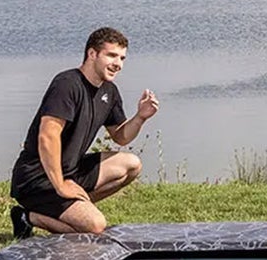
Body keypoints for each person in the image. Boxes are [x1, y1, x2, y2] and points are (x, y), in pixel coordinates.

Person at [8, 27, 159, 238]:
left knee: (131, 164)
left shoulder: (109, 91)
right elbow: (47, 136)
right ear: (92, 54)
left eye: (122, 58)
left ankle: (73, 208)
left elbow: (121, 137)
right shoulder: (67, 84)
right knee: (96, 226)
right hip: (37, 178)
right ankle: (28, 216)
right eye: (112, 55)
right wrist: (60, 185)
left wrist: (140, 117)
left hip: (72, 171)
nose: (118, 64)